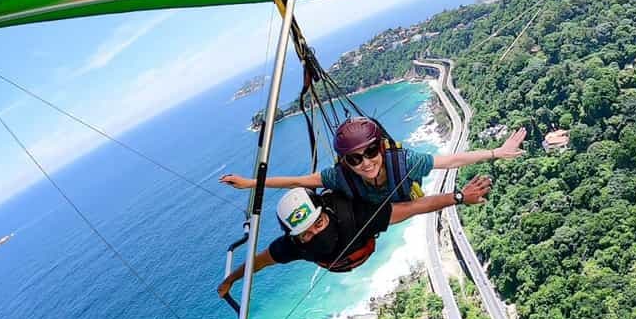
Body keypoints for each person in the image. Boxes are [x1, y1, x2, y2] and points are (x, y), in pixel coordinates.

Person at [217, 175, 492, 297]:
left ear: (327, 213)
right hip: (345, 261)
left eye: (319, 223)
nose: (315, 233)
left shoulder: (357, 217)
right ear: (295, 237)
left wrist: (459, 196)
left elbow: (415, 206)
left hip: (362, 245)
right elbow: (260, 262)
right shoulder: (294, 247)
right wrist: (231, 279)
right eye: (306, 234)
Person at [220, 117, 525, 204]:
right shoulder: (339, 177)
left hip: (402, 202)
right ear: (345, 162)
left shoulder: (404, 161)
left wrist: (496, 152)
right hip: (372, 209)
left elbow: (452, 160)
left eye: (370, 153)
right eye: (354, 159)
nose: (365, 163)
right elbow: (298, 180)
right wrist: (251, 184)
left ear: (380, 148)